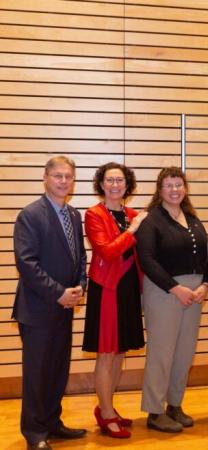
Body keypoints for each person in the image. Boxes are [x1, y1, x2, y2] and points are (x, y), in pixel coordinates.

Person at [13, 156, 87, 450]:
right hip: (38, 309)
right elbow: (26, 263)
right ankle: (34, 432)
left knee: (58, 368)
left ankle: (52, 422)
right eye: (58, 176)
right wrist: (58, 292)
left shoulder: (74, 215)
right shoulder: (30, 215)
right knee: (37, 372)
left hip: (66, 307)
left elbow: (80, 256)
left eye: (68, 176)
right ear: (45, 177)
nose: (63, 181)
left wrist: (81, 285)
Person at [136, 166, 208, 433]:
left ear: (185, 188)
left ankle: (175, 405)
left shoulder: (192, 219)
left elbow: (207, 254)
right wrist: (174, 288)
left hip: (195, 294)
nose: (175, 190)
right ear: (160, 190)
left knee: (184, 353)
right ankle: (154, 411)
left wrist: (206, 284)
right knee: (161, 353)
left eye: (179, 185)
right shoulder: (151, 220)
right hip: (164, 291)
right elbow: (147, 260)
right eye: (169, 185)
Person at [83, 162, 148, 438]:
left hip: (129, 289)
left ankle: (108, 407)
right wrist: (133, 230)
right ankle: (105, 413)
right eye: (109, 180)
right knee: (106, 354)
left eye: (120, 180)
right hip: (107, 289)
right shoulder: (94, 214)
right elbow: (107, 252)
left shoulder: (133, 213)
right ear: (101, 184)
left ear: (127, 184)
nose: (115, 184)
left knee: (119, 352)